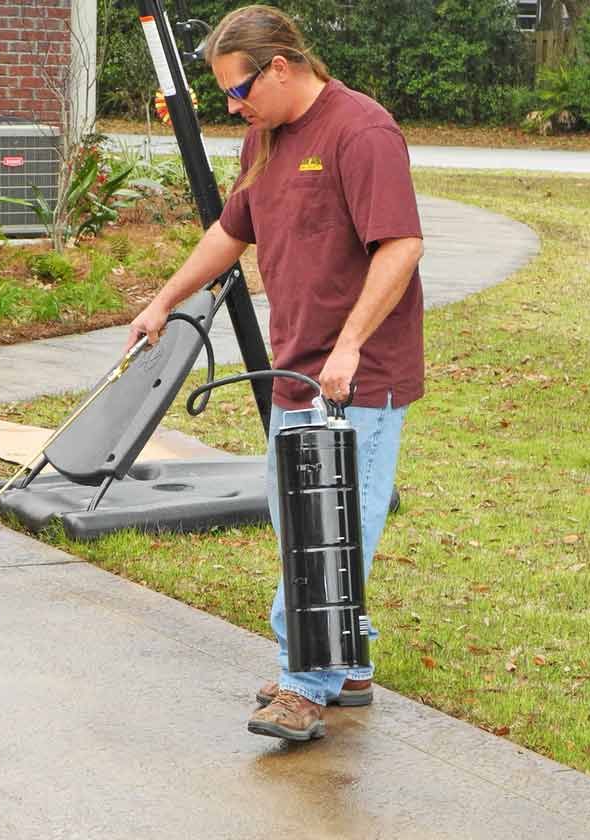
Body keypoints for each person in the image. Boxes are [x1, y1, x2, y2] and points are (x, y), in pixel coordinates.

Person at [125, 4, 425, 742]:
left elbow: (402, 246)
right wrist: (163, 300)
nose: (234, 105)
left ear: (282, 67)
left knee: (332, 529)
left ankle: (305, 685)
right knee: (303, 523)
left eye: (239, 89)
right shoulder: (265, 134)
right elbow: (233, 230)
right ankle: (345, 665)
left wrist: (352, 343)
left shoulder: (363, 132)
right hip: (296, 367)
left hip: (360, 373)